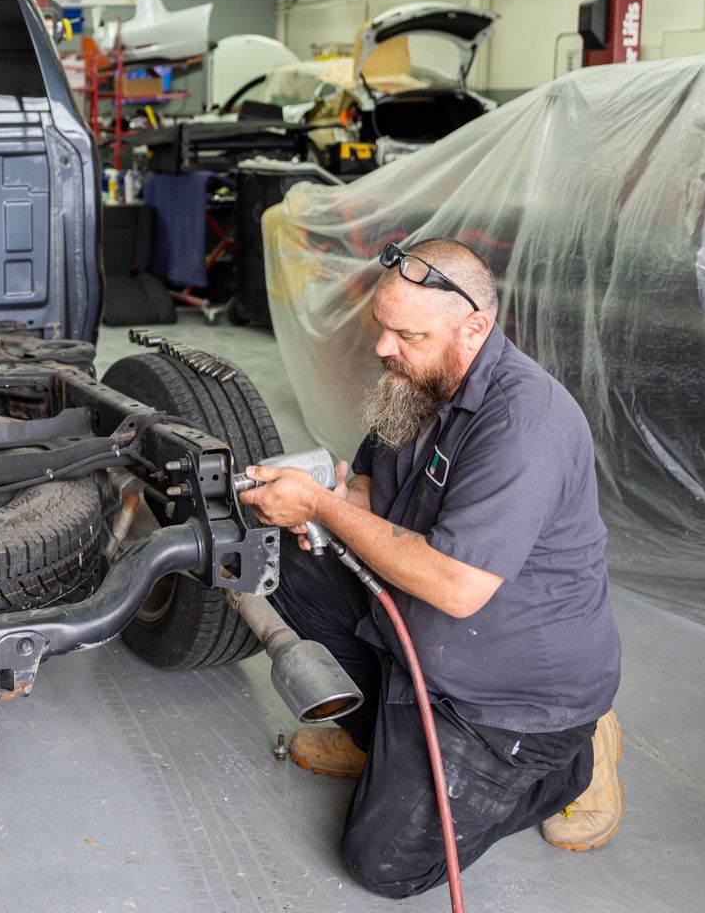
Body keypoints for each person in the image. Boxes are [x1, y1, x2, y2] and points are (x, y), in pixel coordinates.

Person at [238, 237, 623, 899]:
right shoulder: (416, 383)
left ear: (475, 327)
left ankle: (575, 761)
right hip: (419, 640)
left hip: (508, 696)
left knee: (383, 864)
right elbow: (366, 489)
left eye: (406, 334)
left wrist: (323, 509)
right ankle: (384, 738)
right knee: (281, 558)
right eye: (382, 328)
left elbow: (457, 584)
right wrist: (317, 500)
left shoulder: (523, 422)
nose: (385, 347)